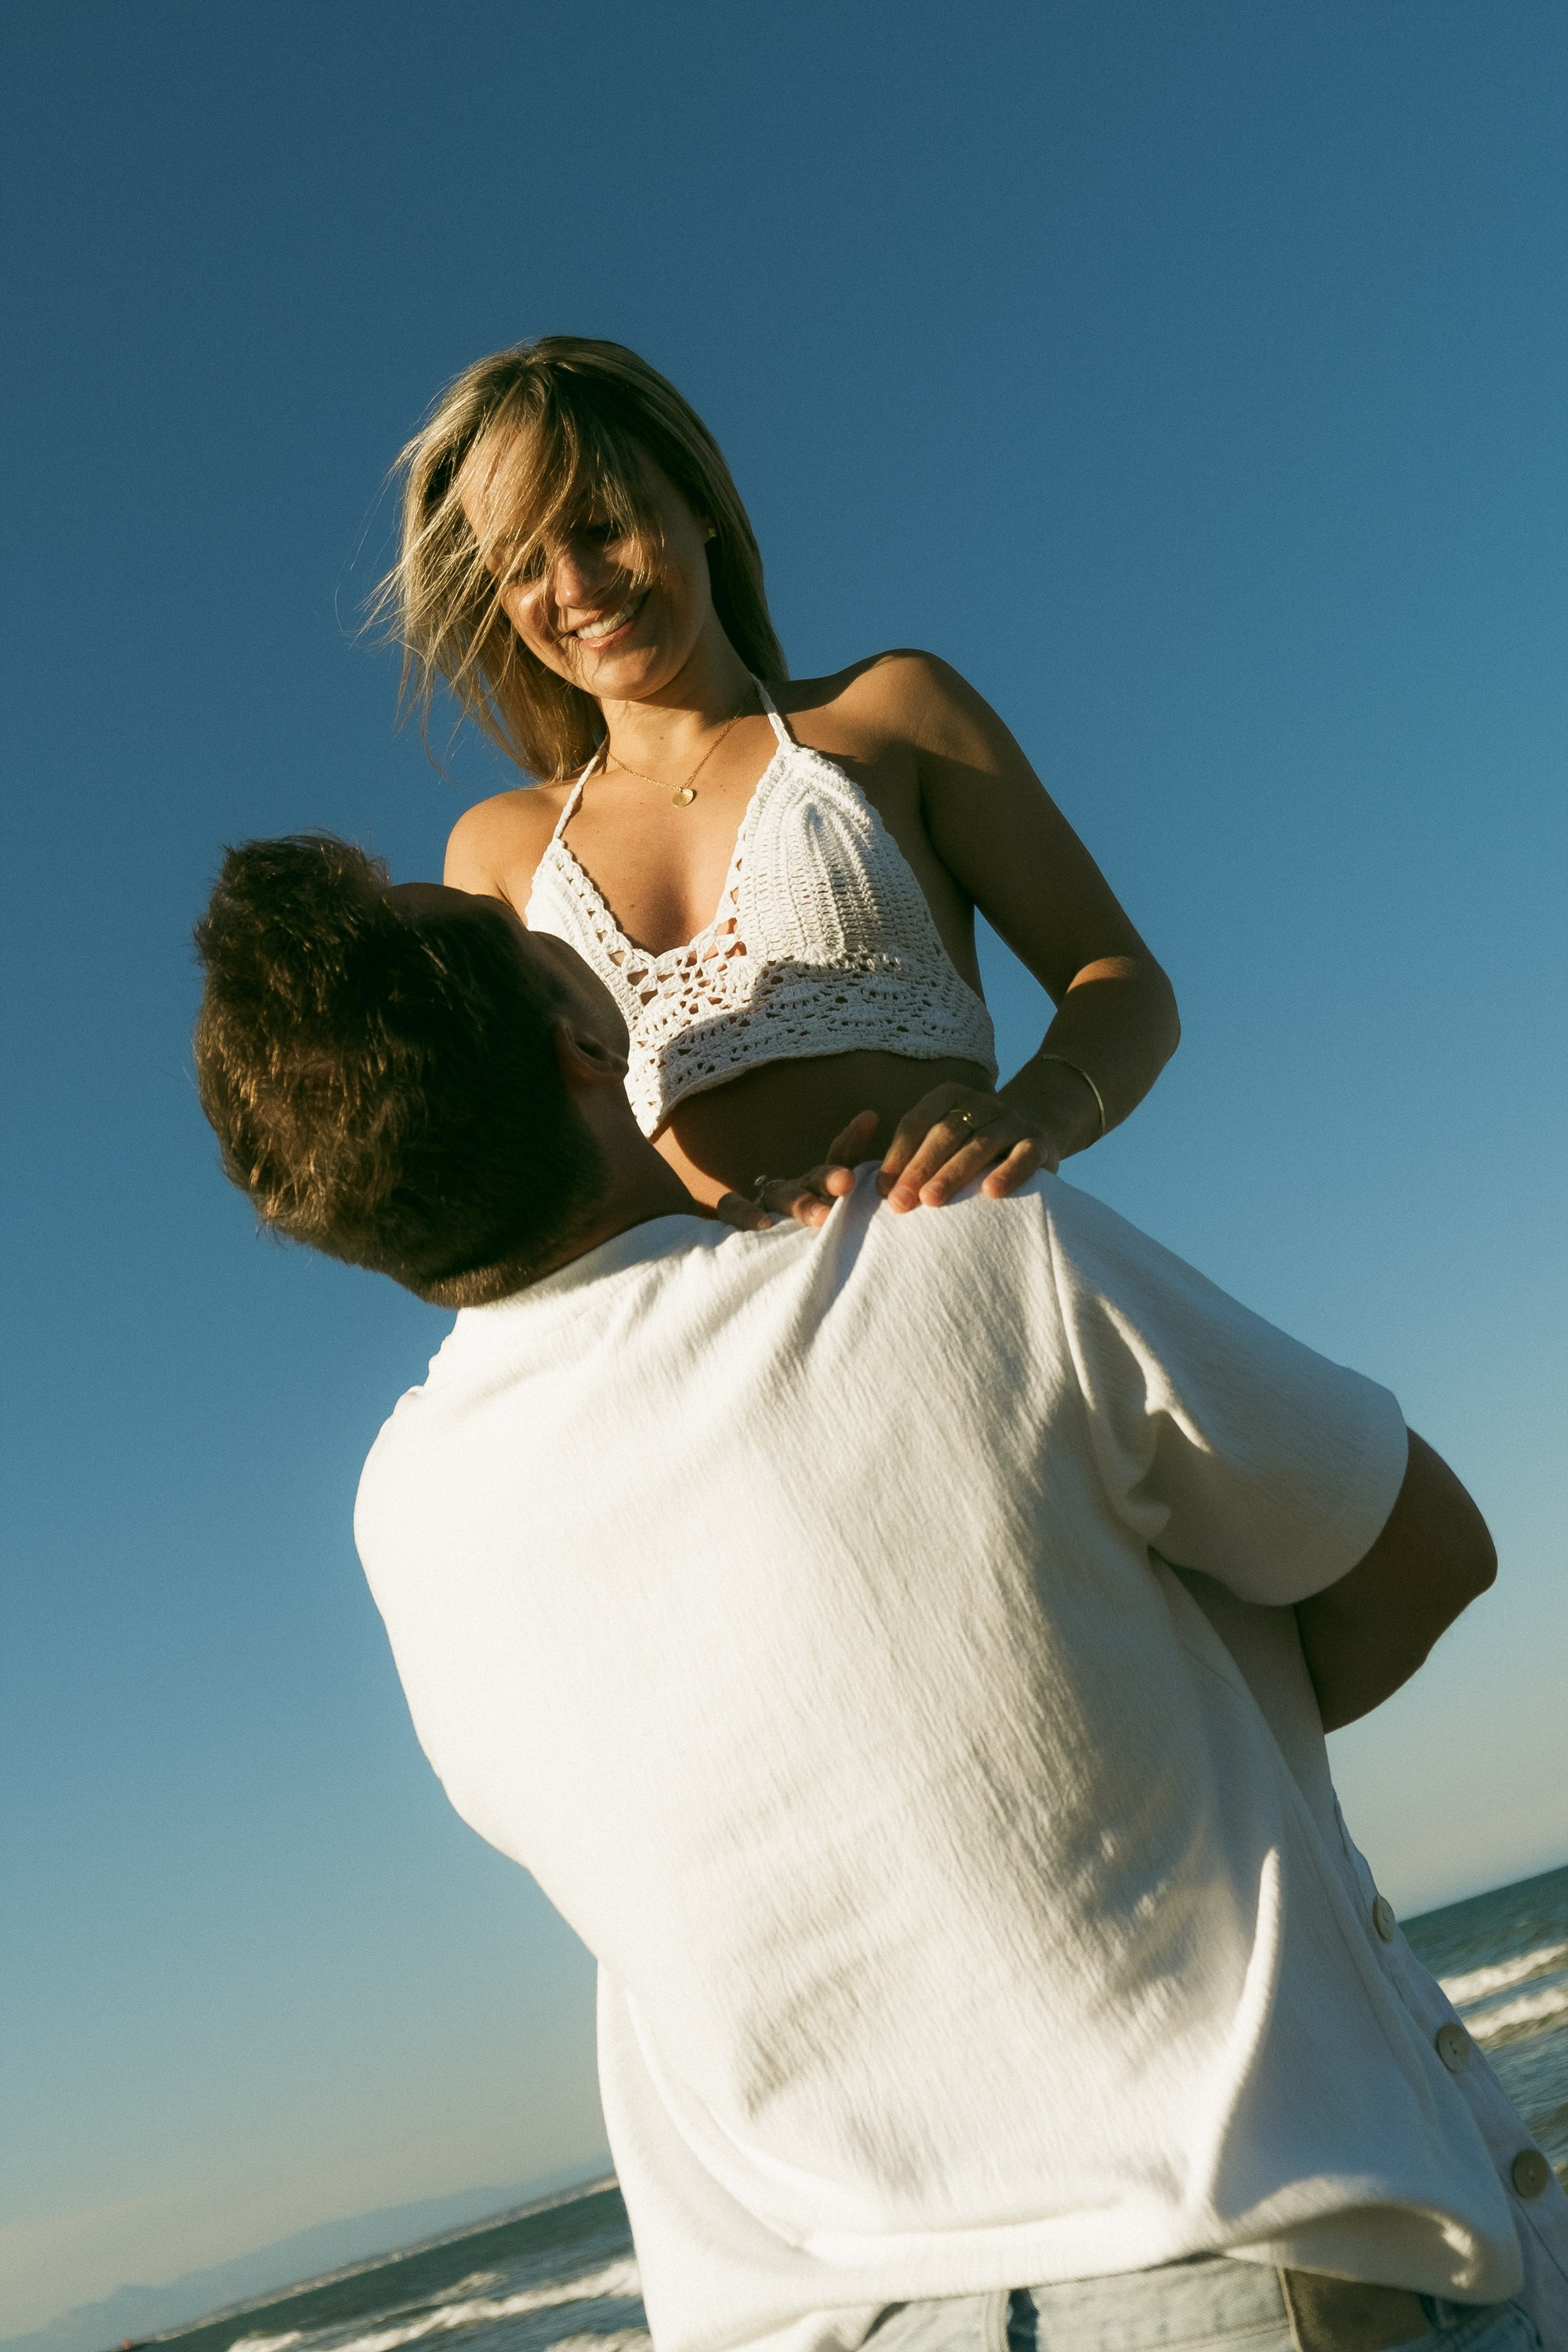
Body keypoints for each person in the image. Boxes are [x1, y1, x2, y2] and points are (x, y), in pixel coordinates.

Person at [192, 836, 1568, 2352]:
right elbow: (1425, 1550)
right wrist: (1148, 1710)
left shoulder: (406, 1521)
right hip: (1219, 2281)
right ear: (589, 1046)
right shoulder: (971, 1253)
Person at [380, 336, 1179, 1227]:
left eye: (602, 524)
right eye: (523, 564)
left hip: (959, 1259)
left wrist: (1039, 1110)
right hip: (701, 1338)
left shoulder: (892, 713)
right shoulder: (496, 851)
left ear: (699, 503)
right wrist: (711, 1214)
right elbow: (527, 1169)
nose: (574, 585)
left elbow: (1121, 980)